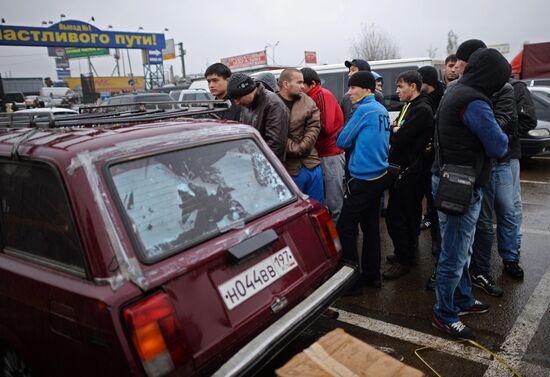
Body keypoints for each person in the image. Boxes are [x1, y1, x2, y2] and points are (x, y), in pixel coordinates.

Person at [431, 48, 510, 340]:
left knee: (459, 250)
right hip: (461, 186)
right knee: (454, 253)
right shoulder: (475, 102)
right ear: (492, 77)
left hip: (448, 179)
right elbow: (498, 146)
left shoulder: (455, 89)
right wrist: (502, 129)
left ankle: (463, 298)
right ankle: (444, 314)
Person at [336, 71, 391, 290]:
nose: (349, 92)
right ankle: (372, 275)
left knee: (345, 228)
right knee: (370, 228)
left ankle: (351, 282)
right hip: (379, 176)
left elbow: (342, 140)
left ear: (366, 89)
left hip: (363, 178)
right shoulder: (382, 109)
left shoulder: (364, 109)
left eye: (352, 87)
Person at [383, 70, 434, 280]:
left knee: (396, 216)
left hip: (411, 171)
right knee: (408, 213)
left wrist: (395, 132)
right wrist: (395, 130)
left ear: (413, 86)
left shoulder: (421, 109)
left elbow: (401, 136)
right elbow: (396, 128)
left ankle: (404, 259)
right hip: (406, 169)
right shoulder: (409, 106)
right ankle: (406, 253)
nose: (397, 91)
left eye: (400, 86)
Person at [301, 67, 345, 222]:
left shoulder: (322, 95)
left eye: (302, 84)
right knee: (324, 200)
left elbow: (326, 127)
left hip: (331, 153)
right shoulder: (309, 97)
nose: (299, 88)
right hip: (320, 153)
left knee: (334, 200)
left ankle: (339, 238)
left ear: (312, 83)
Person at [277, 68, 324, 204]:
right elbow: (274, 133)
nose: (302, 86)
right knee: (295, 210)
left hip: (311, 164)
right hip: (289, 169)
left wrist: (303, 147)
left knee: (317, 206)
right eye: (299, 82)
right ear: (286, 84)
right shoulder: (272, 103)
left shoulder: (308, 101)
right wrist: (295, 149)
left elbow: (314, 126)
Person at [227, 72, 288, 162]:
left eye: (238, 98)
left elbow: (276, 145)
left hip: (268, 164)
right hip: (252, 161)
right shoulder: (246, 104)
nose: (237, 102)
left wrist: (257, 162)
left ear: (248, 91)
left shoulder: (273, 104)